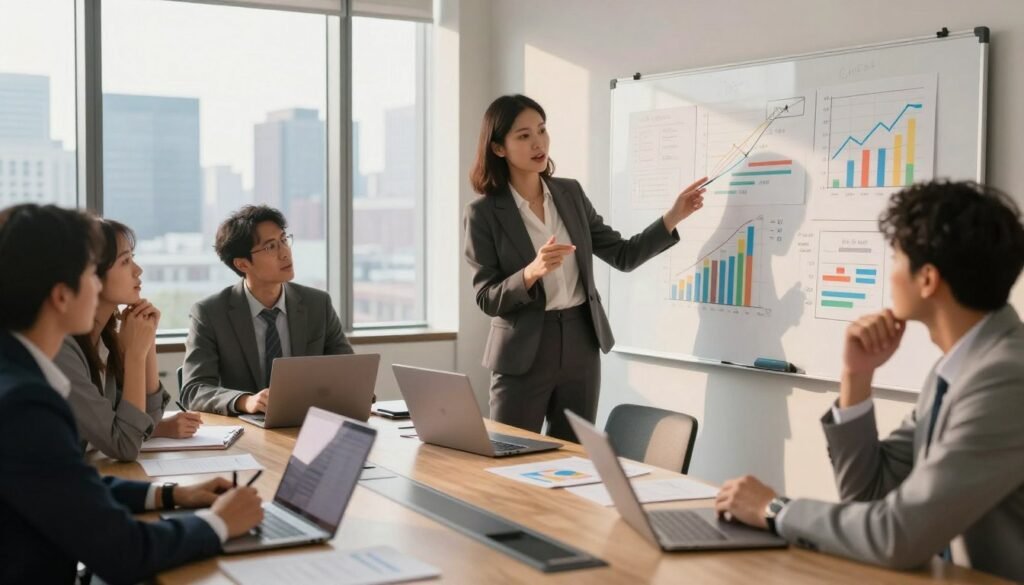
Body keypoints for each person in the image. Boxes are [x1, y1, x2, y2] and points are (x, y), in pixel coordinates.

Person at [714, 181, 1024, 581]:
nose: (890, 271)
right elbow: (870, 494)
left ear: (927, 280)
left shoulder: (1005, 380)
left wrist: (774, 509)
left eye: (895, 257)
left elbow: (897, 534)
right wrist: (856, 378)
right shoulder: (960, 369)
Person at [0, 204, 263, 585]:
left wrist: (171, 496)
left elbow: (66, 484)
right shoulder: (24, 405)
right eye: (92, 272)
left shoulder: (16, 375)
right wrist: (218, 523)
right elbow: (124, 551)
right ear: (61, 297)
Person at [464, 94, 706, 441]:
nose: (538, 142)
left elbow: (623, 255)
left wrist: (673, 217)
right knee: (510, 453)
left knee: (572, 459)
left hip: (581, 340)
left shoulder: (570, 194)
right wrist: (531, 272)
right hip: (523, 351)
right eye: (523, 135)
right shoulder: (483, 213)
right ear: (499, 148)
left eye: (542, 130)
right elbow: (487, 297)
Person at [182, 205, 354, 415]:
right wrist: (245, 401)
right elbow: (194, 390)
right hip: (246, 431)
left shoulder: (317, 304)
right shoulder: (210, 313)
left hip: (306, 424)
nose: (284, 253)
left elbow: (348, 373)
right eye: (270, 247)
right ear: (243, 264)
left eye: (283, 240)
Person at [54, 218, 202, 461]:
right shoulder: (63, 349)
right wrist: (134, 355)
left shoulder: (103, 341)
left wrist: (147, 341)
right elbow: (125, 445)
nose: (138, 270)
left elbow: (146, 424)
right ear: (91, 275)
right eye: (125, 261)